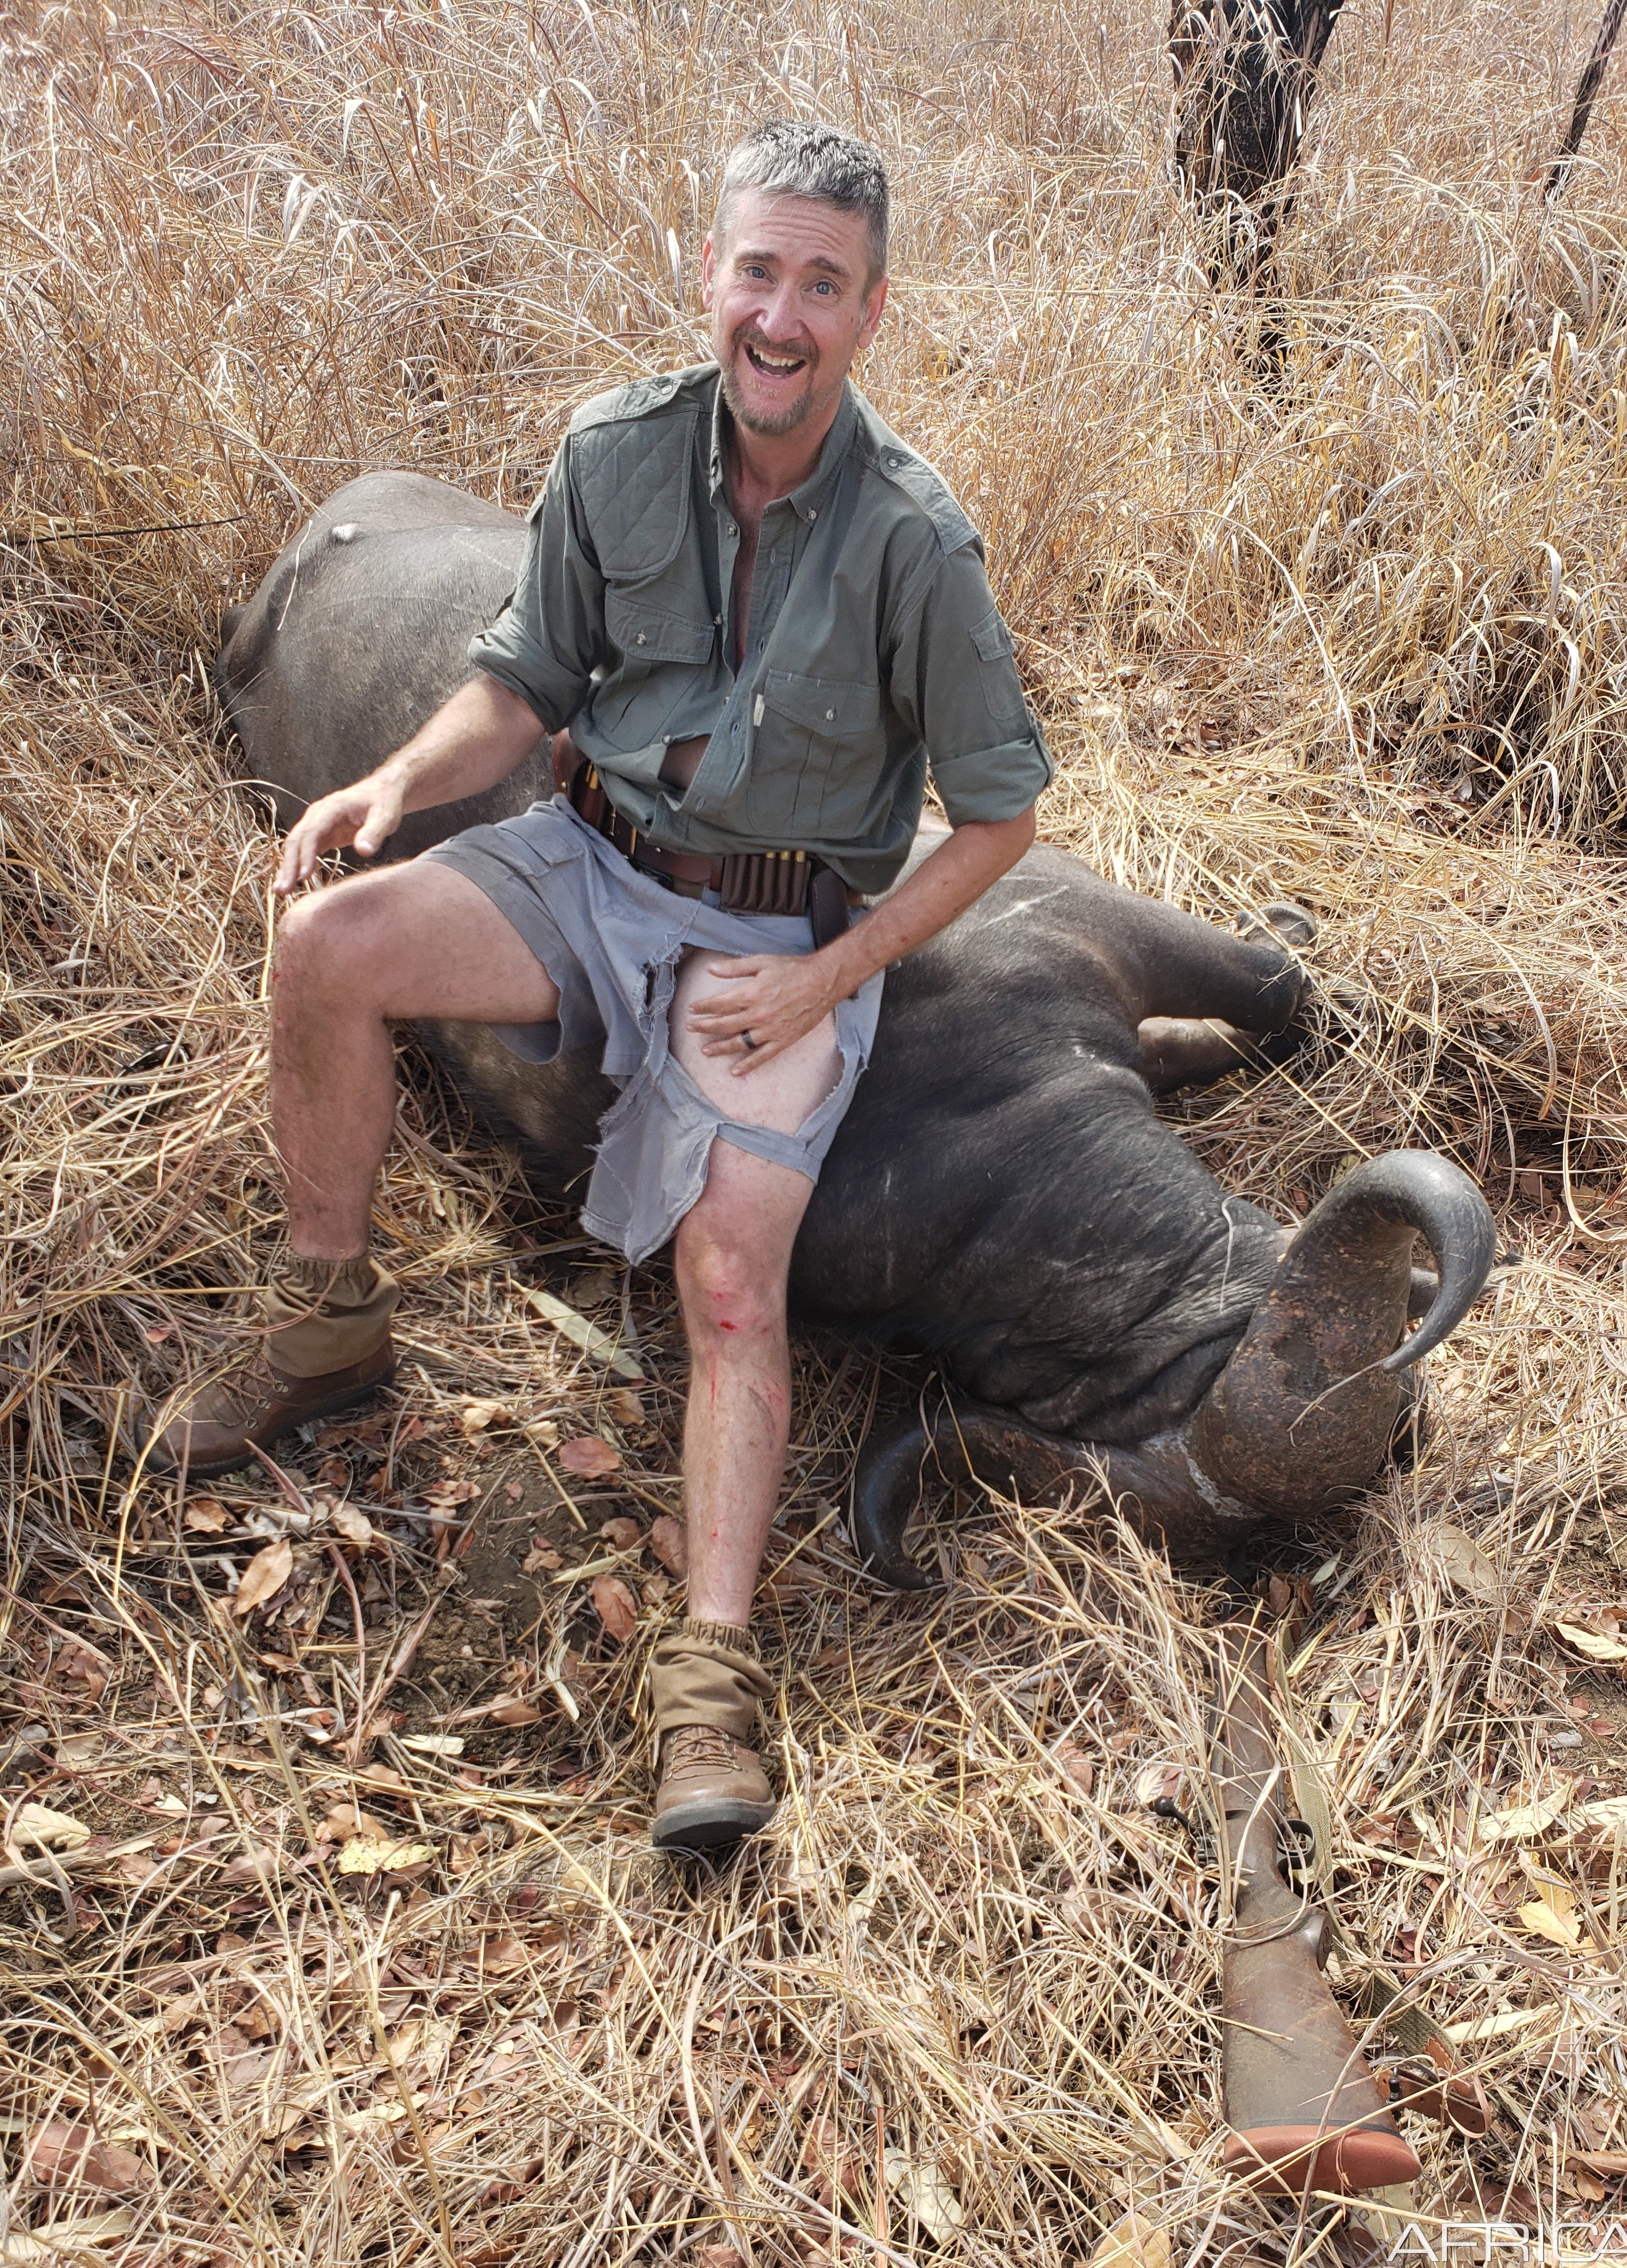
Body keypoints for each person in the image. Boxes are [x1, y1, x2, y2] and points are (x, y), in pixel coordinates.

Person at [143, 119, 1053, 1850]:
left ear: (872, 312)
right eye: (758, 270)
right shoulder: (615, 453)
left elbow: (1003, 816)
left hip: (780, 938)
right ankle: (331, 1326)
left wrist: (834, 977)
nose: (781, 317)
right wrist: (398, 790)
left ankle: (708, 1683)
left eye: (824, 285)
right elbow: (520, 682)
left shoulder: (918, 543)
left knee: (729, 1285)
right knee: (328, 942)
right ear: (711, 275)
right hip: (588, 865)